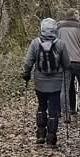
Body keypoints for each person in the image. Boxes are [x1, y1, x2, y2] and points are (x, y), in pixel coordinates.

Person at [24, 16, 70, 147]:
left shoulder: (35, 43)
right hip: (56, 81)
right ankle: (51, 139)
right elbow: (67, 63)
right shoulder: (60, 43)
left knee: (41, 106)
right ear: (55, 29)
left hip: (39, 80)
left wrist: (26, 73)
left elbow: (28, 62)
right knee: (53, 109)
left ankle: (40, 135)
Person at [55, 9, 80, 119]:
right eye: (78, 14)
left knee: (64, 87)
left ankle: (67, 112)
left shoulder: (59, 28)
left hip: (65, 61)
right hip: (79, 61)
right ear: (74, 15)